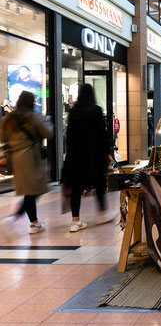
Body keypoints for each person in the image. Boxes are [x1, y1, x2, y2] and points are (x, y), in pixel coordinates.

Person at [0, 91, 53, 239]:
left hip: (15, 158)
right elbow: (48, 133)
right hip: (30, 156)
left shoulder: (8, 118)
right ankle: (13, 218)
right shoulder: (32, 116)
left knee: (29, 191)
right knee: (36, 190)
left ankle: (34, 223)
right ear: (31, 103)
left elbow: (3, 137)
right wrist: (47, 121)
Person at [63, 84, 116, 232]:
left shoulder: (73, 112)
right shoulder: (96, 110)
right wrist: (107, 152)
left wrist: (69, 155)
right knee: (99, 183)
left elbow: (69, 136)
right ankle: (102, 213)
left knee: (76, 187)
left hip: (75, 155)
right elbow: (101, 134)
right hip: (93, 154)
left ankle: (75, 221)